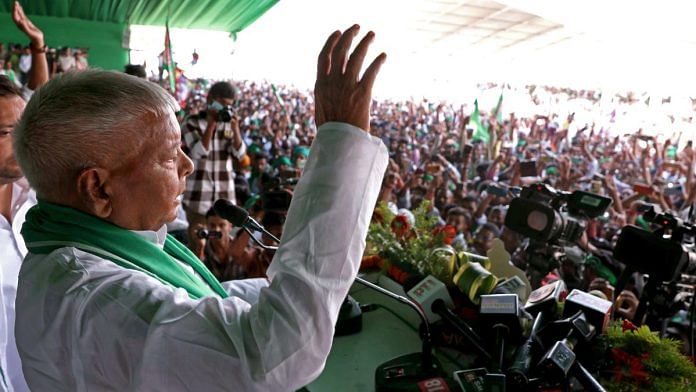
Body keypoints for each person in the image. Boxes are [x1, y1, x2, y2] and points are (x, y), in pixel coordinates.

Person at [14, 25, 387, 390]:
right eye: (167, 156)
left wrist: (305, 290)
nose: (187, 165)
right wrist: (342, 141)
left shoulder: (86, 248)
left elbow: (200, 302)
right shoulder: (93, 301)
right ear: (98, 189)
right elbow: (271, 355)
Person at [0, 2, 48, 391]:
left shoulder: (34, 196)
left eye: (21, 129)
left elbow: (40, 104)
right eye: (4, 134)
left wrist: (38, 47)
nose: (20, 143)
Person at [181, 80, 248, 255]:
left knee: (222, 246)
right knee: (198, 246)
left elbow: (240, 155)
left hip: (225, 197)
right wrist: (211, 124)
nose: (226, 109)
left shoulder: (229, 125)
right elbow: (198, 154)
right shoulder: (191, 123)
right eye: (223, 104)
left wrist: (235, 129)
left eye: (230, 106)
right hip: (198, 197)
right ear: (210, 99)